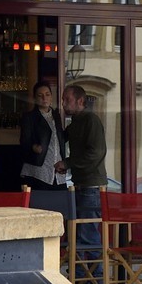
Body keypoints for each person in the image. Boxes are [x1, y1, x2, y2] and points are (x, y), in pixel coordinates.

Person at [61, 84, 106, 221]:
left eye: (67, 100)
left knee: (86, 234)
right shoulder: (75, 122)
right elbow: (61, 138)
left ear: (80, 101)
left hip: (90, 186)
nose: (63, 104)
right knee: (77, 230)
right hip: (80, 183)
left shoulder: (90, 120)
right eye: (63, 100)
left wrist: (67, 163)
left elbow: (96, 153)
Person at [19, 80, 67, 190]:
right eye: (40, 96)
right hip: (38, 169)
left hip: (57, 169)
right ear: (35, 99)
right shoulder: (30, 117)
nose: (44, 98)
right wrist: (34, 147)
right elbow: (24, 142)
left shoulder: (56, 115)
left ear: (51, 97)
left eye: (47, 95)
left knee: (59, 204)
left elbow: (60, 139)